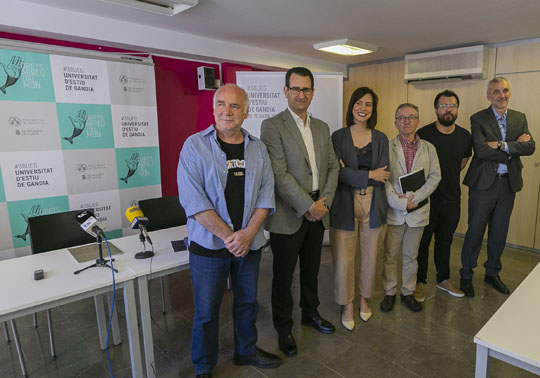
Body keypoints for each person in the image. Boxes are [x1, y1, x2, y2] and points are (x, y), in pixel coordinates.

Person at [177, 84, 282, 378]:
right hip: (209, 247)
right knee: (207, 312)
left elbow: (266, 193)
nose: (227, 111)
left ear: (246, 112)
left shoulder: (258, 148)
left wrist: (248, 234)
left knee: (248, 302)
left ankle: (246, 351)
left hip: (250, 244)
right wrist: (230, 237)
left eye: (235, 106)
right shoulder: (194, 146)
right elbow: (193, 201)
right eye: (221, 104)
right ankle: (203, 366)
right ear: (213, 109)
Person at [260, 67, 339, 357]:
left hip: (320, 209)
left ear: (313, 93)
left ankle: (310, 313)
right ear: (285, 91)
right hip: (288, 214)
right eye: (295, 89)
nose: (301, 94)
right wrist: (308, 206)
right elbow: (279, 174)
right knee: (283, 276)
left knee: (312, 269)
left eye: (306, 89)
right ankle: (283, 327)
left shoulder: (321, 127)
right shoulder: (272, 126)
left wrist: (324, 203)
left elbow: (332, 167)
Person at [460, 77, 535, 297]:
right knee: (475, 231)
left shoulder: (520, 118)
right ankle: (466, 274)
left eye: (505, 91)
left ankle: (492, 273)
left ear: (509, 93)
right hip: (483, 185)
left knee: (499, 232)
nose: (501, 95)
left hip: (507, 185)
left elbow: (530, 147)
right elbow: (481, 151)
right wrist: (514, 149)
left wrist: (502, 145)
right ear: (488, 95)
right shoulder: (478, 118)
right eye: (495, 92)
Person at [329, 87, 389, 331]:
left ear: (373, 110)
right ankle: (347, 303)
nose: (363, 108)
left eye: (368, 104)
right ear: (351, 106)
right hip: (344, 203)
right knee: (343, 259)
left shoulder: (381, 138)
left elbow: (383, 174)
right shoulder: (338, 137)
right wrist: (368, 174)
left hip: (374, 202)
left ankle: (365, 298)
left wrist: (352, 173)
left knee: (370, 255)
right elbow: (337, 173)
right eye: (359, 103)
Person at [381, 103, 440, 313]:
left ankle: (407, 292)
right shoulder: (386, 147)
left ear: (418, 121)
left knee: (411, 256)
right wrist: (399, 202)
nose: (406, 121)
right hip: (394, 211)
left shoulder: (429, 148)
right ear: (395, 122)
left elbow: (435, 177)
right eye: (401, 117)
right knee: (390, 255)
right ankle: (389, 292)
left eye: (411, 117)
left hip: (418, 209)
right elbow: (384, 179)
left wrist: (416, 197)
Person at [414, 90, 472, 302]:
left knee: (445, 241)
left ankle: (443, 279)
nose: (448, 109)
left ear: (457, 109)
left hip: (451, 199)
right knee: (423, 242)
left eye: (452, 105)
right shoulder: (424, 134)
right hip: (428, 199)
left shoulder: (465, 136)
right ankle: (419, 281)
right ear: (436, 109)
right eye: (444, 105)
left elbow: (463, 161)